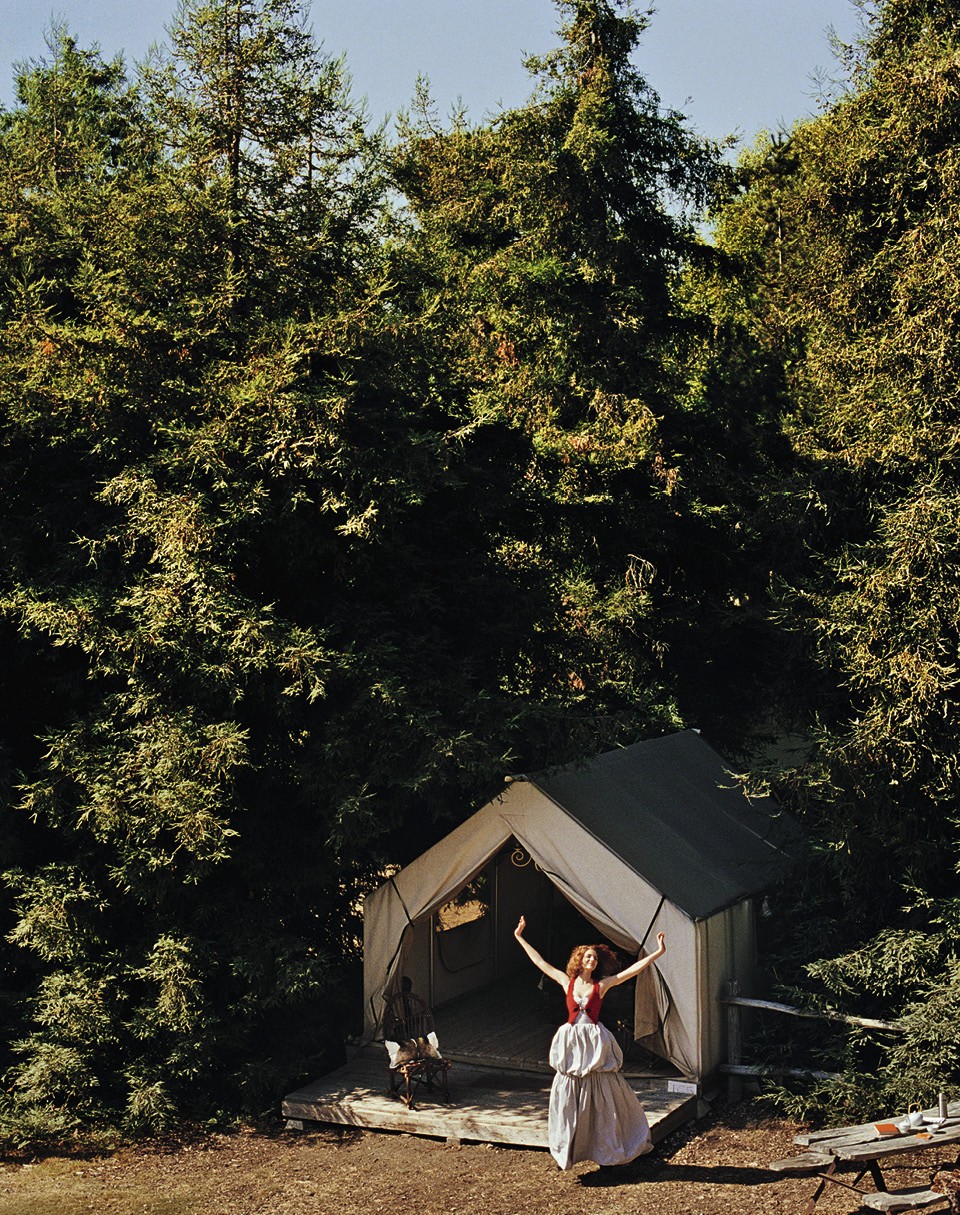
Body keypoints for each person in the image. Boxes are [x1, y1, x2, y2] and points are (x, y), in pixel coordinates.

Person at [514, 914, 667, 1170]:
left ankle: (606, 1144)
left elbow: (631, 972)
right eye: (588, 956)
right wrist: (519, 937)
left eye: (595, 958)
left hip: (594, 1041)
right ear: (579, 959)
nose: (591, 960)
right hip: (572, 1039)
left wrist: (658, 953)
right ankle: (572, 1146)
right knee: (571, 1089)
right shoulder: (567, 982)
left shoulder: (601, 985)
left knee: (600, 1090)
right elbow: (540, 962)